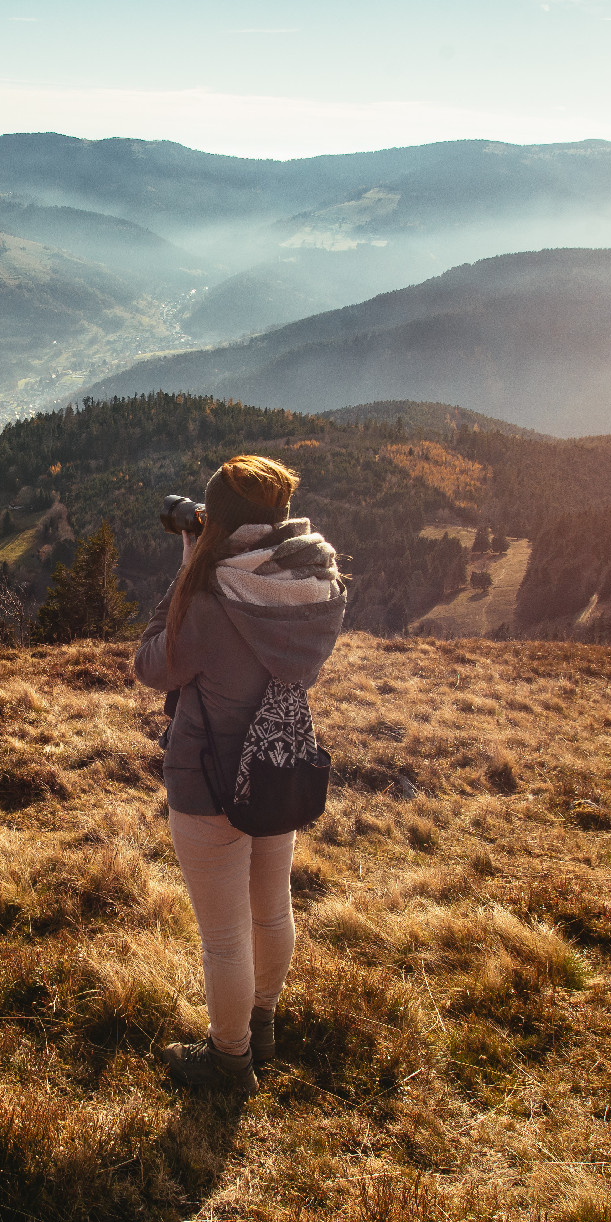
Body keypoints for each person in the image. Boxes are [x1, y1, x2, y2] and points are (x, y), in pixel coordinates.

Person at [133, 455, 346, 1093]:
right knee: (271, 910)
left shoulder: (210, 596)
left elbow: (151, 665)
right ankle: (263, 1024)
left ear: (218, 522)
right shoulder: (312, 582)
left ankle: (229, 1063)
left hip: (209, 783)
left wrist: (190, 564)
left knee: (224, 938)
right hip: (276, 768)